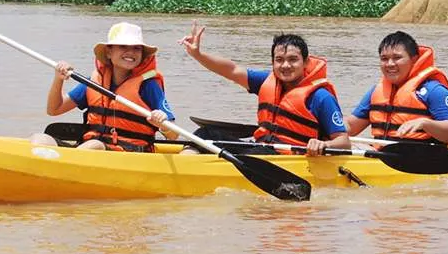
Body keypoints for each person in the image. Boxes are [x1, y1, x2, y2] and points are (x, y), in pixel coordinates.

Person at [179, 22, 351, 156]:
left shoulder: (321, 97)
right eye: (279, 59)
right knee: (204, 133)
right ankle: (184, 168)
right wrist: (198, 55)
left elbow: (343, 141)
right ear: (273, 62)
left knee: (251, 153)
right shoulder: (266, 81)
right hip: (262, 148)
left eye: (293, 59)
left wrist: (324, 145)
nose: (285, 65)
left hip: (290, 158)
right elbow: (231, 70)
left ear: (305, 62)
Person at [30, 22, 176, 151]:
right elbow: (54, 109)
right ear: (109, 52)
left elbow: (174, 135)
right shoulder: (94, 83)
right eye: (123, 46)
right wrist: (58, 79)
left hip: (130, 151)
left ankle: (65, 170)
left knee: (95, 145)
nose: (130, 52)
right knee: (39, 139)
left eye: (137, 48)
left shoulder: (148, 85)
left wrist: (162, 123)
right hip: (89, 148)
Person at [344, 31, 448, 144]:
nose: (390, 64)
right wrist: (328, 128)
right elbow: (351, 126)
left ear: (414, 59)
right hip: (382, 154)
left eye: (397, 58)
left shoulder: (434, 91)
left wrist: (425, 123)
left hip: (421, 156)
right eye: (384, 59)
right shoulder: (376, 91)